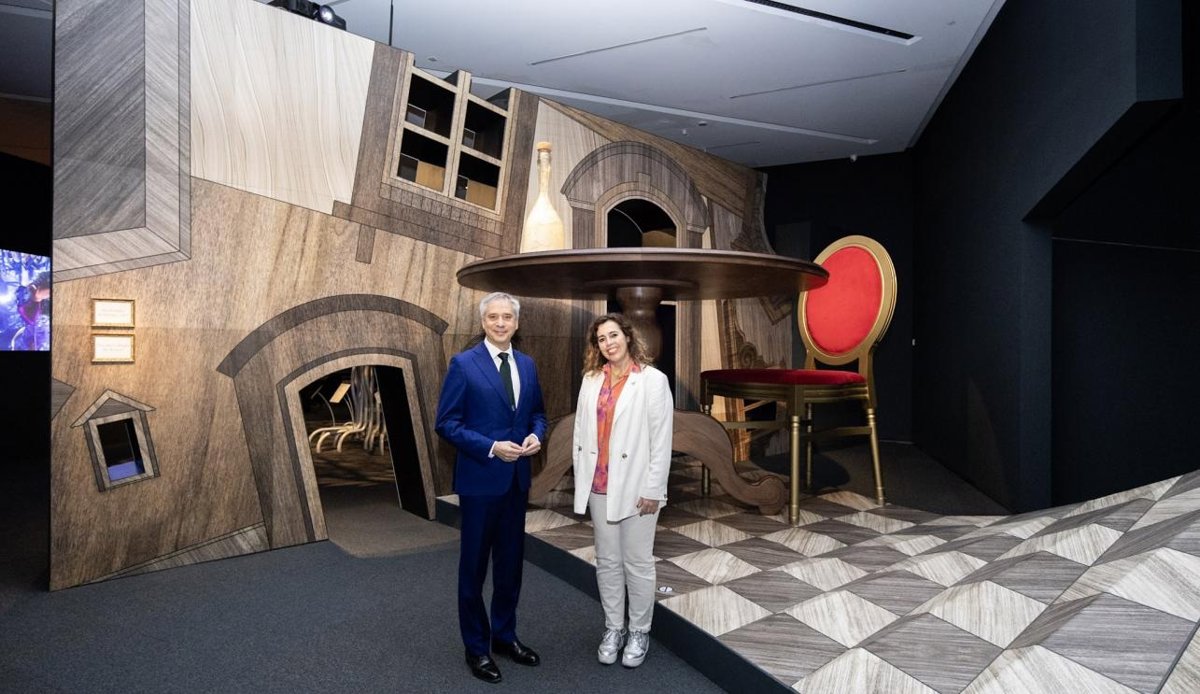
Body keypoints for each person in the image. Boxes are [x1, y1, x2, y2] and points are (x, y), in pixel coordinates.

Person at [435, 292, 547, 684]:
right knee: (474, 568)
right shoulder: (463, 364)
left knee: (510, 566)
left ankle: (504, 635)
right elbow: (446, 423)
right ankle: (476, 648)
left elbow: (537, 414)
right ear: (484, 322)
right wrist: (491, 446)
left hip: (516, 482)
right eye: (493, 317)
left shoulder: (527, 364)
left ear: (516, 323)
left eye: (507, 317)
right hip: (480, 482)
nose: (500, 323)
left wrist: (536, 435)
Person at [572, 313, 673, 668]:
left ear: (628, 337)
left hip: (636, 487)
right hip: (599, 484)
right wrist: (582, 480)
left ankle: (639, 631)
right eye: (601, 339)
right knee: (608, 562)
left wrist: (654, 488)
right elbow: (580, 432)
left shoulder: (653, 381)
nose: (608, 343)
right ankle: (614, 628)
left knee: (638, 562)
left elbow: (661, 440)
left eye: (613, 335)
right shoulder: (590, 380)